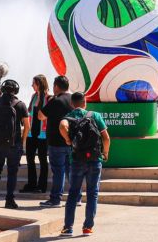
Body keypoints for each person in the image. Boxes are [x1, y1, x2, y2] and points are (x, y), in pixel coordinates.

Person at [59, 92, 110, 237]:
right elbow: (106, 138)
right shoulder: (95, 116)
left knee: (73, 193)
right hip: (95, 160)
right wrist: (105, 153)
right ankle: (87, 227)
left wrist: (68, 140)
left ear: (72, 103)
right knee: (93, 193)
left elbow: (62, 127)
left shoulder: (68, 116)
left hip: (76, 160)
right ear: (84, 102)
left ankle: (68, 228)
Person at [0, 79, 30, 209]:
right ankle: (9, 200)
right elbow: (27, 125)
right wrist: (22, 141)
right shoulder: (20, 105)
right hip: (14, 144)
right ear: (16, 91)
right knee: (12, 173)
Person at [39, 75, 73, 208]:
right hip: (71, 142)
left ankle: (55, 199)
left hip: (56, 142)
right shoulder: (72, 99)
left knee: (58, 171)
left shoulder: (55, 101)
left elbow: (40, 116)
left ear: (56, 87)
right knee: (71, 171)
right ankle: (76, 197)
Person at [22, 75, 50, 194]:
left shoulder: (49, 98)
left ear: (39, 84)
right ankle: (31, 184)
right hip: (31, 134)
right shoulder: (34, 96)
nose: (32, 85)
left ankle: (42, 186)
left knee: (43, 160)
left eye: (33, 83)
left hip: (42, 134)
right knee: (30, 159)